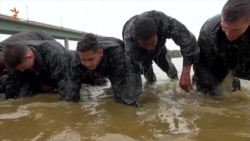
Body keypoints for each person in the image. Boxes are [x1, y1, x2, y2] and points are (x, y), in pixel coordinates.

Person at [122, 10, 199, 92]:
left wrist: (186, 73)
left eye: (151, 44)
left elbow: (188, 41)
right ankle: (150, 86)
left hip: (159, 49)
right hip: (140, 53)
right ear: (137, 40)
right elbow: (133, 71)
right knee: (149, 76)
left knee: (171, 72)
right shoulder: (130, 40)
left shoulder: (162, 22)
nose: (149, 48)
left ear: (157, 33)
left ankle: (176, 84)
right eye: (145, 45)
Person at [64, 33, 142, 106]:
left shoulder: (115, 52)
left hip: (119, 60)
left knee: (128, 99)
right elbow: (71, 89)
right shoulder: (77, 59)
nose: (87, 64)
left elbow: (119, 82)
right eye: (83, 60)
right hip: (101, 67)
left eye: (91, 59)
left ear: (100, 52)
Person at [193, 0, 250, 96]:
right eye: (224, 28)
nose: (229, 34)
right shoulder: (207, 32)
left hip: (244, 58)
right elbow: (201, 65)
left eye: (235, 30)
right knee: (210, 95)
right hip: (215, 59)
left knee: (238, 95)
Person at [2, 37, 70, 99]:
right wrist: (9, 100)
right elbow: (12, 82)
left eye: (23, 67)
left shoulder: (54, 53)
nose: (21, 70)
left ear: (29, 57)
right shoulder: (14, 59)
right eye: (19, 69)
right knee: (23, 95)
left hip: (62, 73)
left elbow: (64, 81)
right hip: (38, 76)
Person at [0, 30, 56, 94]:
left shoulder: (11, 57)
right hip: (25, 42)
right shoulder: (8, 53)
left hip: (42, 38)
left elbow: (14, 78)